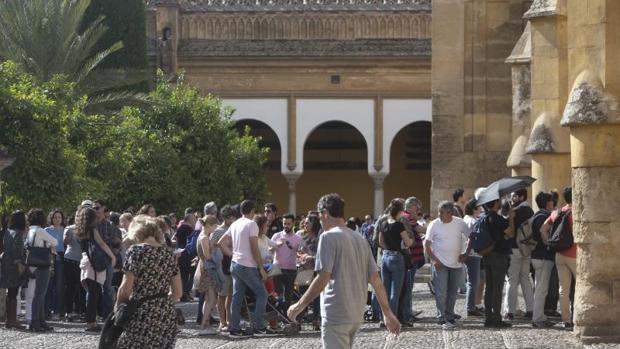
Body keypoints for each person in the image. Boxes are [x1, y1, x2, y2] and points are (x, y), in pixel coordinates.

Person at [287, 193, 400, 349]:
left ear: (325, 213)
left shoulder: (327, 237)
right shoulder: (359, 239)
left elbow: (323, 277)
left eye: (319, 216)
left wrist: (299, 305)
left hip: (336, 312)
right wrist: (387, 313)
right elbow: (375, 279)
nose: (320, 220)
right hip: (355, 313)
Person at [115, 215, 182, 349]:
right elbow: (178, 292)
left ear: (136, 232)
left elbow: (125, 289)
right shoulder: (168, 254)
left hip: (141, 312)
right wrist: (160, 301)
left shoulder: (135, 251)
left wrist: (118, 307)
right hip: (165, 314)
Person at [217, 200, 277, 338]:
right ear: (252, 211)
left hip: (235, 264)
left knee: (237, 298)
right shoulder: (252, 224)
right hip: (247, 265)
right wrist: (261, 268)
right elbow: (254, 247)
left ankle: (235, 329)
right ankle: (259, 327)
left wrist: (233, 254)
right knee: (262, 294)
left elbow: (221, 242)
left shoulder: (235, 223)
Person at [425, 201, 469, 329]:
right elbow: (427, 244)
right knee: (441, 291)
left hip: (456, 263)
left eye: (442, 213)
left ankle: (449, 315)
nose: (439, 215)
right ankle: (441, 317)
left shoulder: (460, 222)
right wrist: (434, 259)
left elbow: (471, 236)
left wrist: (465, 253)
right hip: (440, 263)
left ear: (449, 213)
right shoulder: (434, 224)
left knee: (452, 292)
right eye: (439, 212)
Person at [75, 206, 116, 332]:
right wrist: (112, 256)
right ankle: (91, 323)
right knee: (94, 294)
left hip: (85, 261)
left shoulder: (78, 230)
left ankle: (90, 321)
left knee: (91, 293)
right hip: (94, 263)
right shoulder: (93, 230)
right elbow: (102, 244)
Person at [540, 186, 575, 330]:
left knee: (563, 289)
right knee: (580, 287)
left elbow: (543, 229)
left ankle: (566, 320)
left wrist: (550, 243)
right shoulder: (577, 213)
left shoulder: (557, 212)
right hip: (575, 254)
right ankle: (577, 317)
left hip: (559, 254)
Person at [479, 198, 515, 328]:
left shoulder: (484, 218)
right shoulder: (498, 219)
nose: (500, 203)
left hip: (487, 255)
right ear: (494, 204)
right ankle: (497, 319)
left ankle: (488, 318)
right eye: (498, 201)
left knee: (489, 288)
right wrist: (511, 218)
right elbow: (510, 233)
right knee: (497, 289)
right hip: (498, 256)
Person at [379, 199, 414, 326]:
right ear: (400, 211)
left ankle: (384, 318)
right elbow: (408, 242)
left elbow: (380, 242)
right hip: (397, 257)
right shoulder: (399, 225)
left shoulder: (384, 224)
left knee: (385, 291)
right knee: (395, 292)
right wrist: (411, 239)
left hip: (385, 257)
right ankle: (392, 320)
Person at [504, 189, 535, 321]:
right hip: (527, 249)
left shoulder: (516, 212)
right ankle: (531, 310)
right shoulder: (530, 211)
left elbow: (507, 230)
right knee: (525, 280)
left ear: (522, 197)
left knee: (512, 280)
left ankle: (510, 311)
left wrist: (509, 213)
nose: (512, 199)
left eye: (515, 196)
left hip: (515, 248)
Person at [24, 208, 58, 332]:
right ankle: (35, 322)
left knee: (38, 294)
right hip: (42, 265)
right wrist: (49, 245)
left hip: (32, 264)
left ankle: (41, 321)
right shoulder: (40, 231)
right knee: (40, 294)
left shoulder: (29, 231)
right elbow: (55, 241)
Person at [93, 200, 122, 320]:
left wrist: (115, 251)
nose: (95, 210)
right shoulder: (90, 224)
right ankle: (93, 314)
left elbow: (117, 242)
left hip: (107, 259)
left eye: (97, 208)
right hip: (92, 258)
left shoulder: (109, 225)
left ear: (103, 208)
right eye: (93, 208)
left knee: (107, 288)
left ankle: (107, 315)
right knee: (93, 288)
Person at [530, 191, 555, 328]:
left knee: (539, 287)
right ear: (547, 203)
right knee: (541, 289)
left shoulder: (536, 215)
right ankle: (538, 318)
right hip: (544, 256)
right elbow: (542, 232)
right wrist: (549, 244)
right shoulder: (545, 217)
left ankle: (540, 315)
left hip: (536, 256)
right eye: (551, 201)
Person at [210, 205, 236, 333]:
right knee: (221, 295)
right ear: (225, 218)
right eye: (230, 217)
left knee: (230, 296)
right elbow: (211, 247)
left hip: (233, 266)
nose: (233, 220)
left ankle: (229, 320)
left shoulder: (235, 229)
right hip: (222, 267)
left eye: (234, 217)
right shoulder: (218, 231)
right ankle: (222, 321)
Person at [400, 196, 426, 324]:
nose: (418, 210)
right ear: (411, 207)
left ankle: (408, 311)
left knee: (408, 287)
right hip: (411, 258)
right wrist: (434, 230)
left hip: (413, 257)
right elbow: (419, 229)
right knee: (408, 287)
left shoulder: (408, 216)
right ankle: (407, 313)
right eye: (417, 207)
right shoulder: (408, 217)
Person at [1, 211, 27, 329]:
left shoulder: (7, 232)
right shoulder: (18, 234)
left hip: (6, 265)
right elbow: (16, 252)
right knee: (14, 293)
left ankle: (9, 319)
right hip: (14, 267)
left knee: (10, 293)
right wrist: (20, 266)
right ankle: (12, 320)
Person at [271, 213, 302, 310]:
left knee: (288, 295)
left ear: (293, 224)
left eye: (288, 224)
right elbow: (269, 249)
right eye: (284, 223)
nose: (286, 226)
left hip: (291, 269)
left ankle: (286, 316)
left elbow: (300, 253)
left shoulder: (298, 238)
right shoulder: (277, 235)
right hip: (277, 268)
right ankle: (277, 312)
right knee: (277, 293)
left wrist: (296, 250)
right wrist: (276, 245)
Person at [195, 215, 220, 336]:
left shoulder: (202, 235)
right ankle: (204, 326)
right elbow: (207, 256)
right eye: (215, 225)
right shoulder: (204, 237)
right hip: (207, 270)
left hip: (204, 268)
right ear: (209, 225)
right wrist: (215, 252)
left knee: (208, 299)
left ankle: (206, 324)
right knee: (211, 299)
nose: (215, 228)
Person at [297, 214, 321, 329]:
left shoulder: (319, 238)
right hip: (304, 270)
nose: (305, 224)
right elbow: (297, 251)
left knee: (316, 296)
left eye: (308, 222)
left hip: (316, 270)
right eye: (304, 222)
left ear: (314, 224)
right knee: (302, 295)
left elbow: (322, 255)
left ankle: (316, 319)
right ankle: (299, 320)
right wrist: (299, 255)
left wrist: (310, 257)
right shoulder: (301, 236)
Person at [63, 208, 85, 322]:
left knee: (83, 288)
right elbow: (65, 243)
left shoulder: (87, 229)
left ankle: (82, 312)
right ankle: (69, 312)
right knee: (70, 287)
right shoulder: (69, 228)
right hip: (70, 260)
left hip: (83, 261)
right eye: (77, 217)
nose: (78, 219)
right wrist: (69, 234)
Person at [462, 198, 483, 317]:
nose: (480, 209)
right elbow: (472, 238)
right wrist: (467, 252)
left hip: (468, 253)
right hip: (472, 253)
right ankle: (470, 307)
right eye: (479, 207)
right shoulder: (473, 221)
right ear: (474, 209)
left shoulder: (465, 219)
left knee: (472, 281)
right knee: (473, 281)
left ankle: (472, 305)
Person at [44, 209, 66, 320]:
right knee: (48, 285)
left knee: (59, 286)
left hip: (61, 260)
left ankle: (57, 311)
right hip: (49, 259)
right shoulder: (46, 230)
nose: (57, 219)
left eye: (59, 217)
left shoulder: (65, 230)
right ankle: (46, 310)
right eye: (55, 217)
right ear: (51, 218)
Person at [174, 213, 197, 302]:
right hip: (186, 254)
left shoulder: (180, 228)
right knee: (189, 274)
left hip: (181, 253)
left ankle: (184, 294)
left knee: (184, 275)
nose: (195, 221)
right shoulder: (188, 229)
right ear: (189, 220)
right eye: (194, 219)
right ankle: (185, 293)